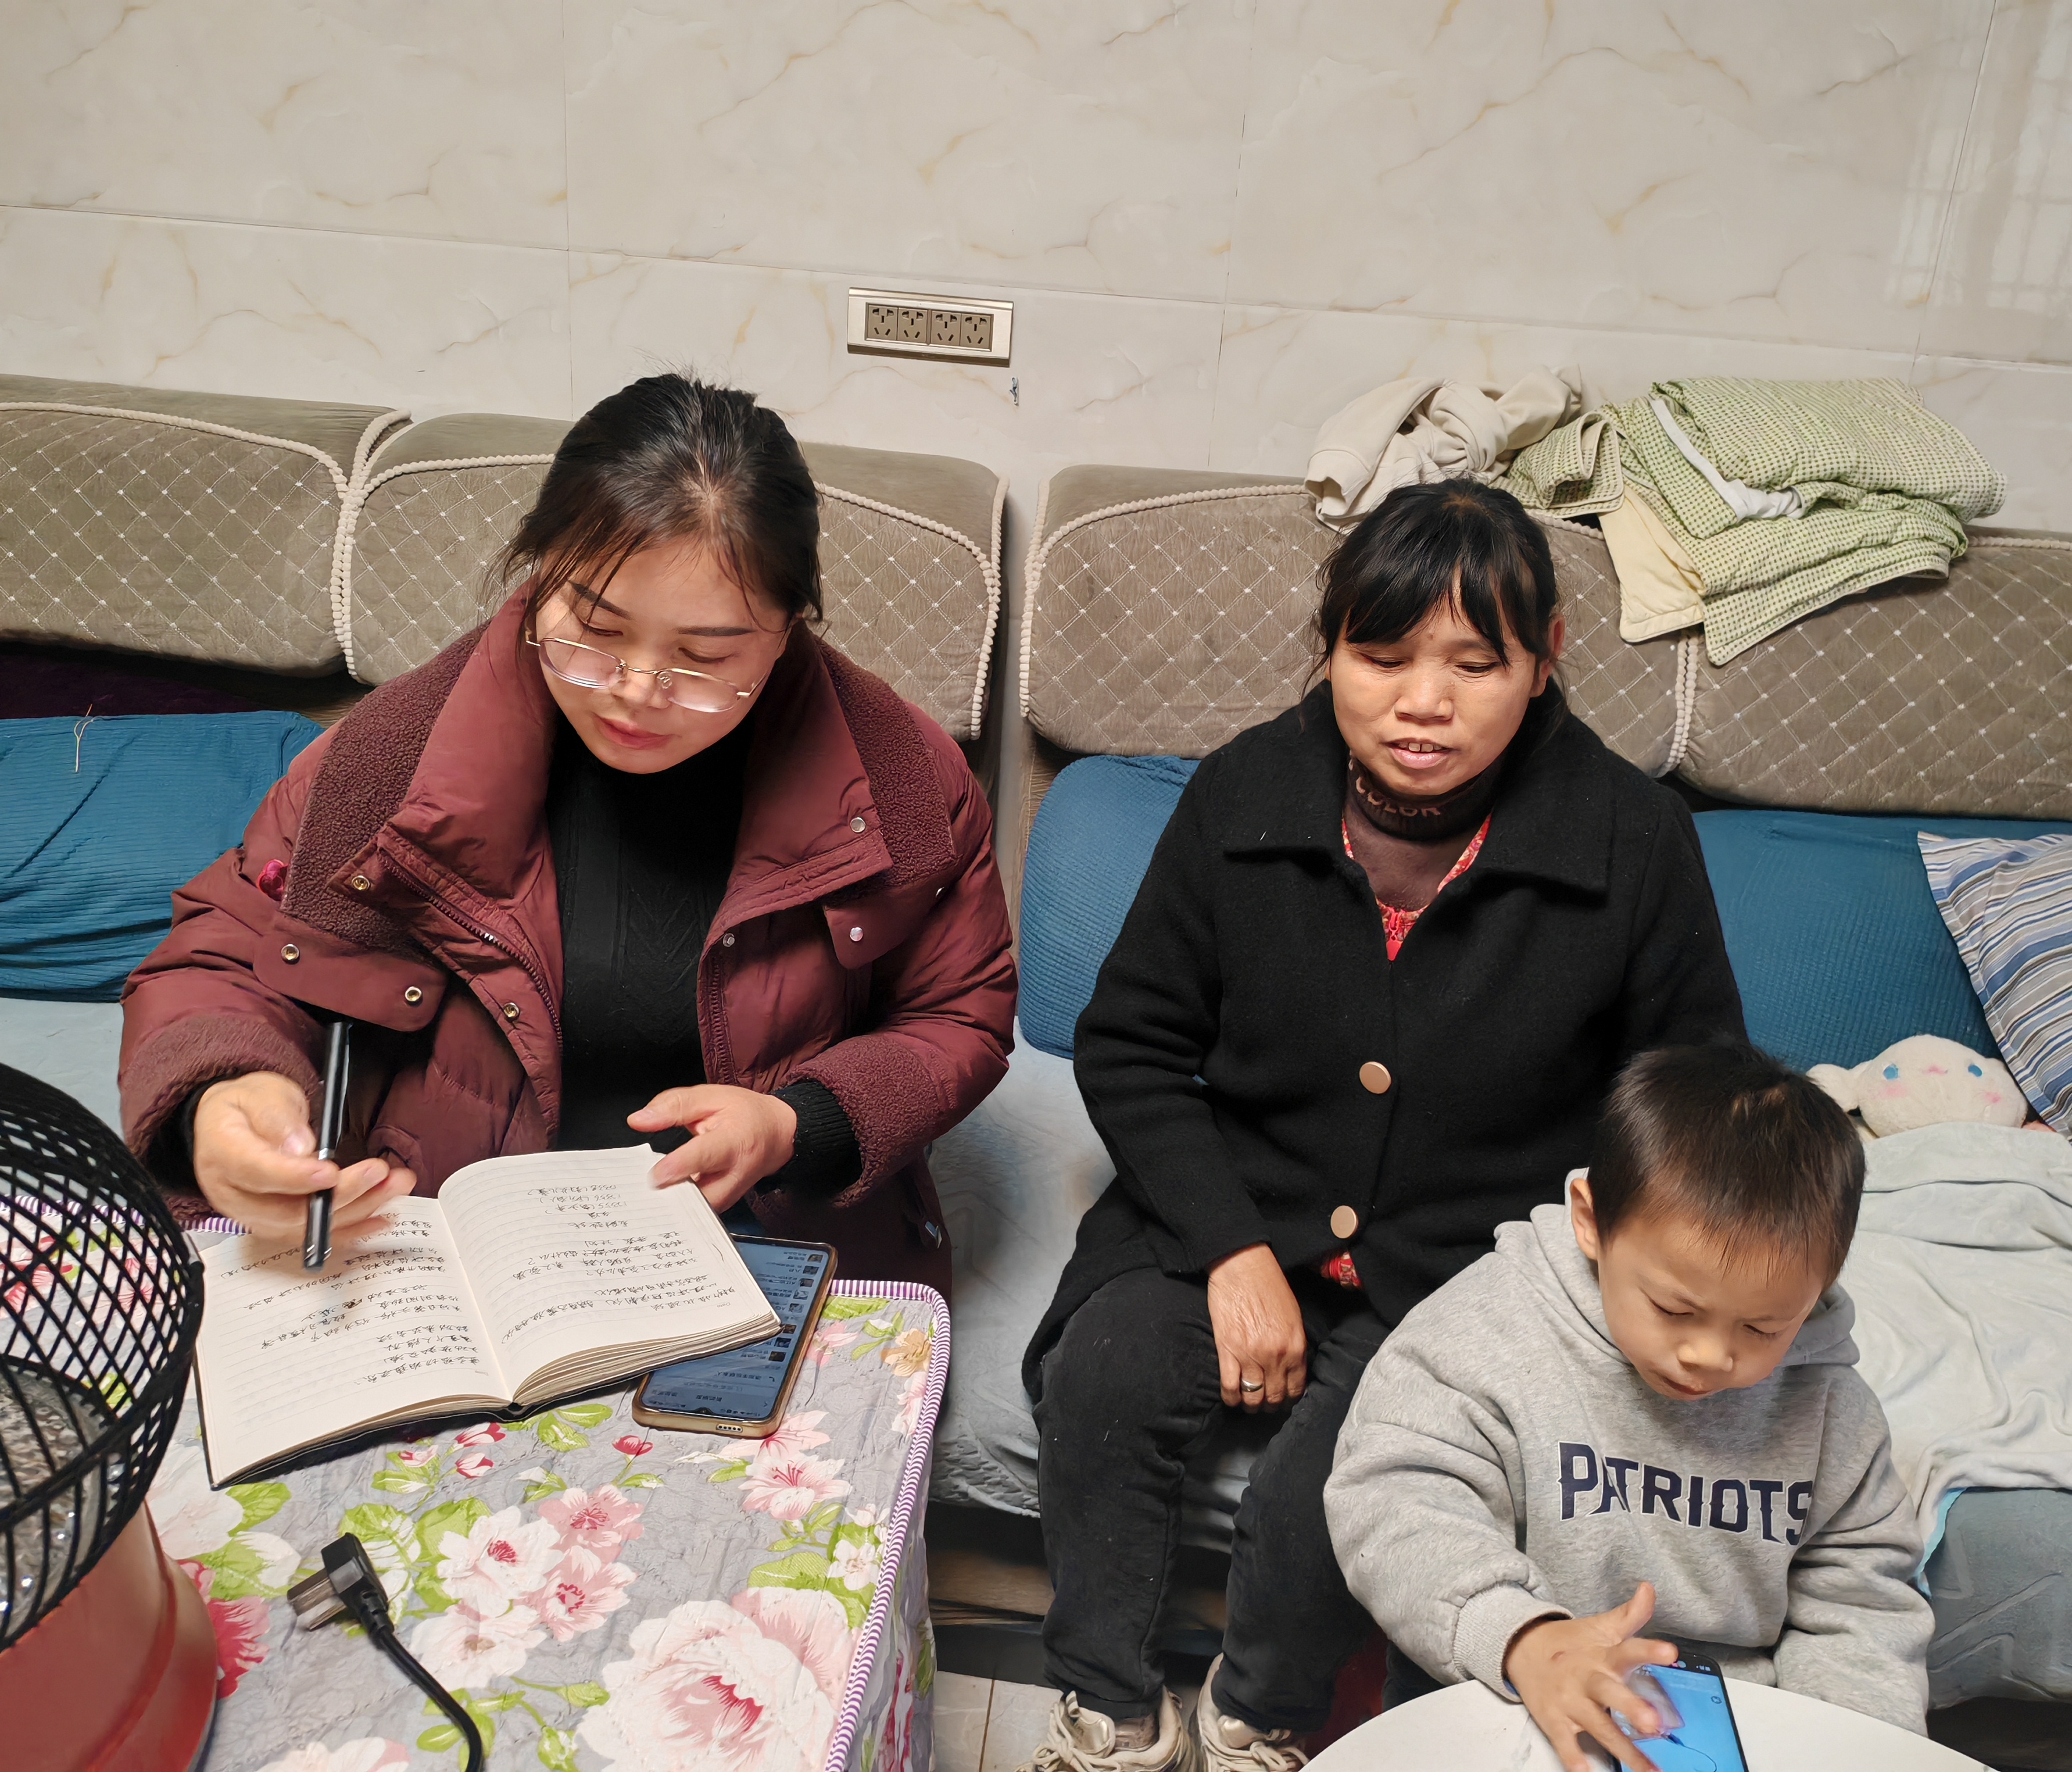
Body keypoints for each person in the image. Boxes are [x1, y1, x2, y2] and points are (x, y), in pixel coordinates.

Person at [1021, 480, 1747, 1772]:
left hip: (1467, 1262)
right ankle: (1107, 1708)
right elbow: (1129, 1043)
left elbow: (1686, 1096)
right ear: (1330, 647)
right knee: (1104, 1378)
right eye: (1382, 655)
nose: (1424, 701)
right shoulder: (1243, 790)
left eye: (1474, 663)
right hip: (1235, 1202)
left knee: (1357, 1475)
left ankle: (1260, 1720)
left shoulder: (1632, 838)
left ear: (1545, 658)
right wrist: (1231, 1251)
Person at [120, 373, 1015, 1288]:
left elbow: (958, 1014)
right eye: (595, 630)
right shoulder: (391, 758)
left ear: (789, 631)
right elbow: (224, 956)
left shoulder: (898, 779)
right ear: (539, 573)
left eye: (704, 658)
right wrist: (225, 1096)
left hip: (760, 1242)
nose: (638, 692)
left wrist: (797, 1125)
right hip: (453, 1248)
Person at [1325, 1045, 1934, 1772]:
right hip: (1500, 1684)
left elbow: (1858, 1601)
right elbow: (1396, 1502)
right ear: (1591, 1221)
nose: (1709, 1355)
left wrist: (1844, 1740)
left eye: (1762, 1328)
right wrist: (1520, 1636)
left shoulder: (1833, 1409)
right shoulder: (1480, 1334)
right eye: (1674, 1309)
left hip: (1732, 1722)